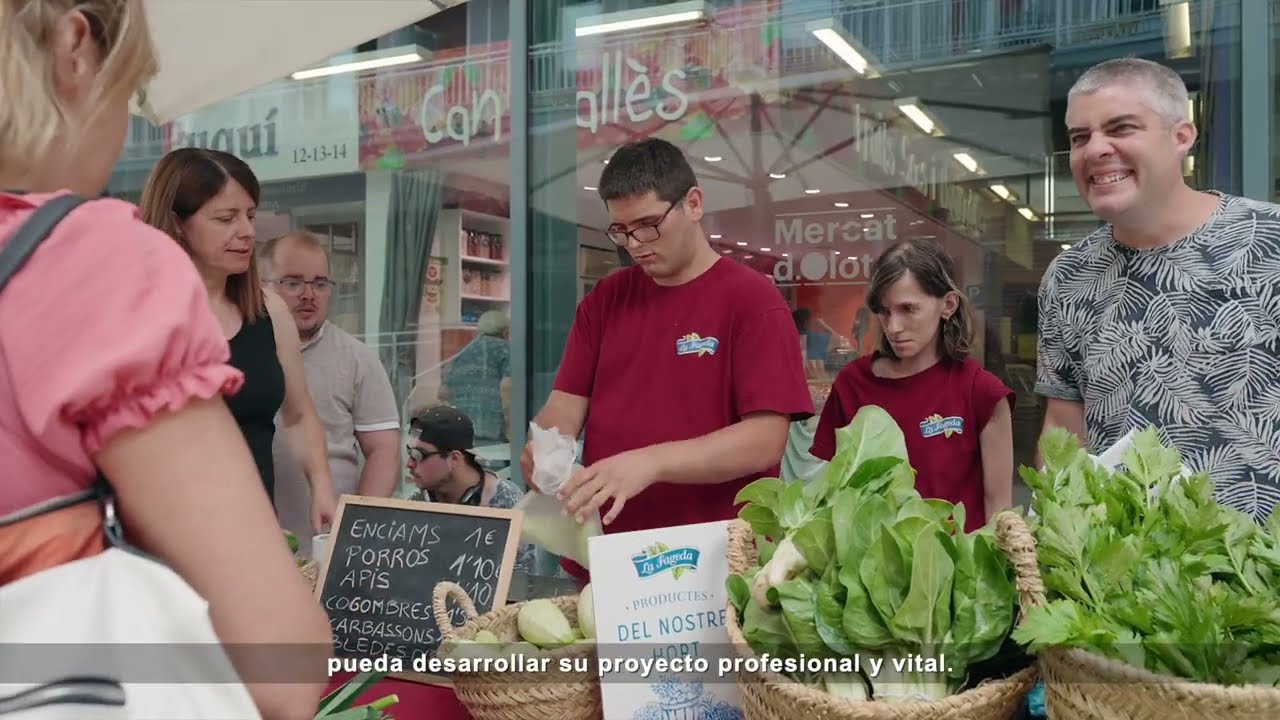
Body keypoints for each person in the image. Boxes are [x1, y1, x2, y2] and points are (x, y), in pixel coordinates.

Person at [0, 1, 329, 717]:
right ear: (75, 46)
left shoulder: (261, 310)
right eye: (131, 89)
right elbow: (281, 663)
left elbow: (298, 420)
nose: (122, 130)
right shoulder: (88, 265)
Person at [521, 137, 813, 585]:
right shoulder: (606, 300)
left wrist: (649, 463)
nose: (635, 244)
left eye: (648, 224)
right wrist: (546, 449)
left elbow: (764, 440)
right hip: (607, 560)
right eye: (621, 230)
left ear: (693, 203)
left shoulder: (754, 301)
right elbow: (564, 406)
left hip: (715, 563)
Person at [1037, 57, 1280, 524]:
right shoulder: (1067, 277)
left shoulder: (1268, 242)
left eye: (1121, 128)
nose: (1095, 150)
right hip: (1124, 577)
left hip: (1262, 577)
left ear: (1181, 138)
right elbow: (1064, 430)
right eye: (1079, 137)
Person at [138, 148, 337, 533]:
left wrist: (322, 482)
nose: (247, 232)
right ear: (177, 222)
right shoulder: (140, 316)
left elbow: (298, 415)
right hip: (167, 538)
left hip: (254, 530)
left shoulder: (271, 311)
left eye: (250, 215)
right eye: (225, 219)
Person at [809, 240, 1014, 531]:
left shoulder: (981, 391)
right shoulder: (852, 384)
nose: (893, 326)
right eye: (884, 311)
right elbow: (835, 498)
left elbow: (999, 512)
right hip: (870, 568)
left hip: (957, 566)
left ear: (948, 305)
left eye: (908, 309)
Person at [259, 231, 401, 556]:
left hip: (326, 545)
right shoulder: (242, 349)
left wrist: (358, 530)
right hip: (250, 541)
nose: (309, 295)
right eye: (293, 283)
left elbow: (384, 451)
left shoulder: (357, 358)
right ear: (262, 284)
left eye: (320, 284)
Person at [406, 406, 535, 574]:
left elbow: (524, 582)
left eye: (418, 455)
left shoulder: (507, 503)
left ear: (454, 458)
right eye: (409, 452)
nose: (409, 463)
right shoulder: (417, 502)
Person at [440, 309, 512, 446]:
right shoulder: (505, 349)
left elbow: (443, 392)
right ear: (506, 332)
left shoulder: (463, 351)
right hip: (492, 428)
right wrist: (511, 427)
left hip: (462, 428)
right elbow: (507, 386)